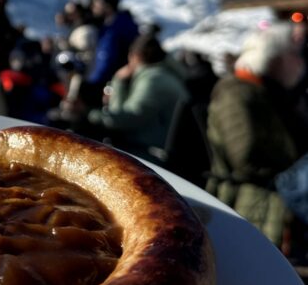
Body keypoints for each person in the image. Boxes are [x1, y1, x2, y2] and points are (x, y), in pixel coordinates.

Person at [206, 22, 308, 248]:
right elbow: (246, 156)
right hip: (251, 199)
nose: (301, 62)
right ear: (276, 58)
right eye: (294, 54)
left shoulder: (270, 92)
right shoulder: (236, 94)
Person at [86, 34, 190, 157]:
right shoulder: (162, 74)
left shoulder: (153, 79)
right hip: (158, 148)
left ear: (136, 56)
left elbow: (125, 119)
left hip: (153, 153)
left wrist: (88, 113)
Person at [85, 0, 139, 102]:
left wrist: (91, 83)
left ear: (108, 6)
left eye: (97, 4)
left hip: (114, 85)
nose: (93, 8)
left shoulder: (116, 28)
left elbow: (107, 59)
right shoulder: (113, 25)